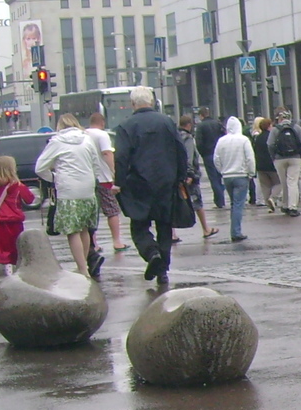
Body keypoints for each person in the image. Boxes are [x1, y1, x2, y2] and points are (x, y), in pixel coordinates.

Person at [113, 86, 188, 284]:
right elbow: (180, 149)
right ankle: (163, 269)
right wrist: (181, 175)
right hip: (166, 181)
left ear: (132, 104)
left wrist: (118, 182)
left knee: (139, 225)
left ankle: (151, 253)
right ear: (153, 102)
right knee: (164, 225)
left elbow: (120, 156)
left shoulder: (126, 126)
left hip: (138, 183)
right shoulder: (167, 122)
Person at [35, 113, 105, 276]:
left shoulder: (57, 142)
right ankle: (86, 263)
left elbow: (40, 167)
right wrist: (91, 178)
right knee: (85, 229)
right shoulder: (87, 139)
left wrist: (53, 178)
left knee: (72, 230)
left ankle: (82, 268)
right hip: (88, 188)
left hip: (68, 189)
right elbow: (96, 164)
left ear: (60, 126)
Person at [0, 155, 36, 267]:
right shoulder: (18, 186)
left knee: (3, 253)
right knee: (16, 251)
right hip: (16, 223)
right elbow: (29, 199)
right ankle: (17, 272)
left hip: (0, 224)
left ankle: (7, 272)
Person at [85, 111, 126, 258]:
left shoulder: (83, 134)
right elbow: (107, 153)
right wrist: (114, 171)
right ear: (102, 123)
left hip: (88, 178)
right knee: (112, 210)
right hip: (103, 178)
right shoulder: (102, 135)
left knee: (92, 211)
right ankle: (117, 241)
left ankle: (93, 243)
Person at [213, 116, 257, 242]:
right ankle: (236, 232)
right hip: (241, 174)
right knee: (238, 204)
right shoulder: (244, 140)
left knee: (233, 203)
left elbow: (216, 159)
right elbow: (250, 158)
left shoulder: (221, 141)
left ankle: (234, 229)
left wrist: (222, 170)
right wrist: (251, 173)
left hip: (227, 176)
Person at [176, 116, 219, 240]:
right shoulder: (187, 138)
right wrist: (190, 174)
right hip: (188, 176)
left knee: (174, 202)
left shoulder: (175, 136)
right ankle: (206, 229)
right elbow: (188, 158)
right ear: (189, 125)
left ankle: (172, 233)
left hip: (176, 174)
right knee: (197, 202)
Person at [269, 108, 301, 216]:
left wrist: (274, 157)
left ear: (280, 119)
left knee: (283, 182)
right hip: (295, 157)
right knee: (292, 182)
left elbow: (270, 144)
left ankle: (285, 205)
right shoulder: (296, 128)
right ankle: (292, 207)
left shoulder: (275, 129)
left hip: (279, 159)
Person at [194, 106, 227, 209]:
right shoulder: (217, 124)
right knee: (220, 176)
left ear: (201, 115)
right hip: (219, 153)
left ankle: (219, 201)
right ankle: (222, 197)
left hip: (208, 154)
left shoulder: (201, 126)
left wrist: (202, 153)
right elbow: (224, 136)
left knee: (214, 179)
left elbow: (199, 142)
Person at [250, 116, 279, 211]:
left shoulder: (257, 138)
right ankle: (273, 197)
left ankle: (268, 204)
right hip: (271, 164)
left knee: (265, 186)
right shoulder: (272, 136)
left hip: (260, 165)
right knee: (279, 183)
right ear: (269, 126)